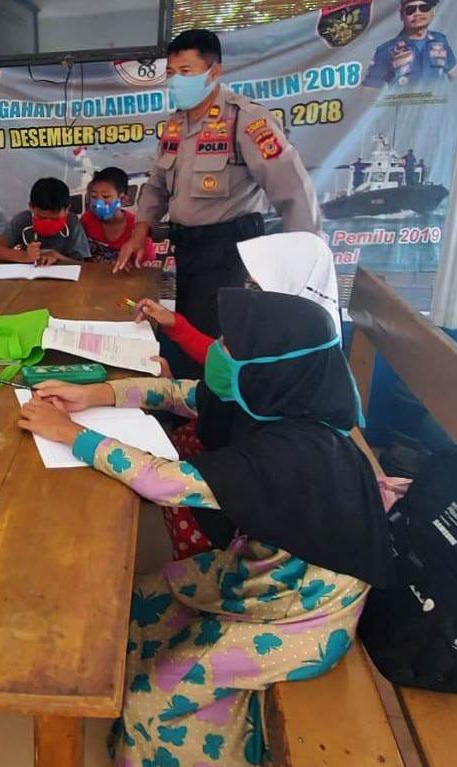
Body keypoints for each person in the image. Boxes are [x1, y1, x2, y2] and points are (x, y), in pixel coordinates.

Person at [18, 288, 391, 767]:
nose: (216, 349)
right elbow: (179, 393)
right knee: (136, 607)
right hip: (261, 575)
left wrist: (72, 436)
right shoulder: (274, 399)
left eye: (229, 344)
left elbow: (169, 483)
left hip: (303, 613)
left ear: (269, 370)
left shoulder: (296, 456)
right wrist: (97, 393)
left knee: (151, 700)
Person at [114, 29, 319, 379]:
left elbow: (294, 192)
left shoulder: (247, 120)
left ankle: (209, 425)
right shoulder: (176, 125)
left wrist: (301, 264)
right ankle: (185, 418)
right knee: (183, 336)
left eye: (187, 72)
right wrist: (139, 232)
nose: (176, 81)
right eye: (171, 73)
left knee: (217, 348)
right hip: (190, 253)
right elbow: (156, 187)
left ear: (214, 73)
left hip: (230, 254)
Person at [133, 232, 342, 561]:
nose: (250, 297)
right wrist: (175, 326)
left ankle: (202, 567)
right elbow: (226, 363)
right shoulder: (287, 337)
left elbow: (241, 444)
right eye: (249, 285)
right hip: (229, 447)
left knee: (165, 468)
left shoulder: (300, 370)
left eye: (258, 287)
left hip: (248, 502)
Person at [135, 232, 342, 368]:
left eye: (262, 285)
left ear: (290, 283)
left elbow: (234, 379)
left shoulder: (300, 357)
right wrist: (174, 323)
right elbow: (223, 359)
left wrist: (170, 388)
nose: (253, 291)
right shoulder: (290, 327)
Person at [0, 177, 91, 265]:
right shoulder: (23, 220)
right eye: (41, 218)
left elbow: (84, 264)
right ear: (31, 207)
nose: (48, 223)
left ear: (67, 209)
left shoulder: (72, 223)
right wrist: (25, 256)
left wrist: (57, 257)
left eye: (55, 219)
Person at [363, 0, 457, 90]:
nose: (417, 13)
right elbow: (369, 91)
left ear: (433, 12)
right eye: (410, 10)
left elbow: (456, 79)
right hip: (400, 106)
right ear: (402, 15)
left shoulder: (441, 41)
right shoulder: (386, 50)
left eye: (424, 8)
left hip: (437, 106)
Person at [81, 167, 151, 264]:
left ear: (122, 199)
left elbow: (147, 266)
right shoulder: (87, 219)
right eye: (94, 196)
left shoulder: (137, 228)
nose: (97, 202)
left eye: (105, 196)